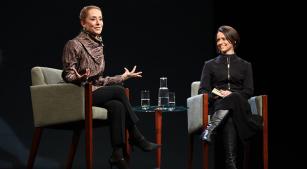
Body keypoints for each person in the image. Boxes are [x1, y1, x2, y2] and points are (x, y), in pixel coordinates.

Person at [61, 5, 160, 169]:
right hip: (80, 94)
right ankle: (136, 136)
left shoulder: (98, 45)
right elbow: (67, 74)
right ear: (83, 23)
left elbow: (99, 80)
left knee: (117, 106)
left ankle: (117, 154)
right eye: (93, 19)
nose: (98, 22)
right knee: (119, 91)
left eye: (100, 18)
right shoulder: (74, 44)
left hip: (93, 91)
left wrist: (122, 77)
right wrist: (78, 78)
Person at [199, 25, 260, 169]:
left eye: (223, 38)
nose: (220, 42)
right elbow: (203, 91)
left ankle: (210, 129)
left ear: (233, 40)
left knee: (235, 98)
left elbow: (248, 91)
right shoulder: (209, 65)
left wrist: (232, 95)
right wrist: (218, 94)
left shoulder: (245, 65)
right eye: (218, 40)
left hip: (241, 107)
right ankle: (231, 164)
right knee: (229, 117)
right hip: (219, 106)